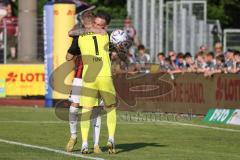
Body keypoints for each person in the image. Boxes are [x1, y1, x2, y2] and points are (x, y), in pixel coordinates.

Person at [68, 11, 117, 154]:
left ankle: (85, 144)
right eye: (95, 24)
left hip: (87, 77)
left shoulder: (81, 35)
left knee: (85, 110)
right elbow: (119, 48)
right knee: (110, 108)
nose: (95, 26)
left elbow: (71, 34)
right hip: (104, 76)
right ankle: (110, 139)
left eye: (98, 25)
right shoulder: (108, 35)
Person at [65, 11, 103, 154]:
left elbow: (68, 57)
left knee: (74, 107)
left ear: (82, 21)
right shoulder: (102, 34)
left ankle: (74, 136)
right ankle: (96, 144)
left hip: (81, 75)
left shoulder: (79, 35)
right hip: (98, 75)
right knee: (96, 110)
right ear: (94, 21)